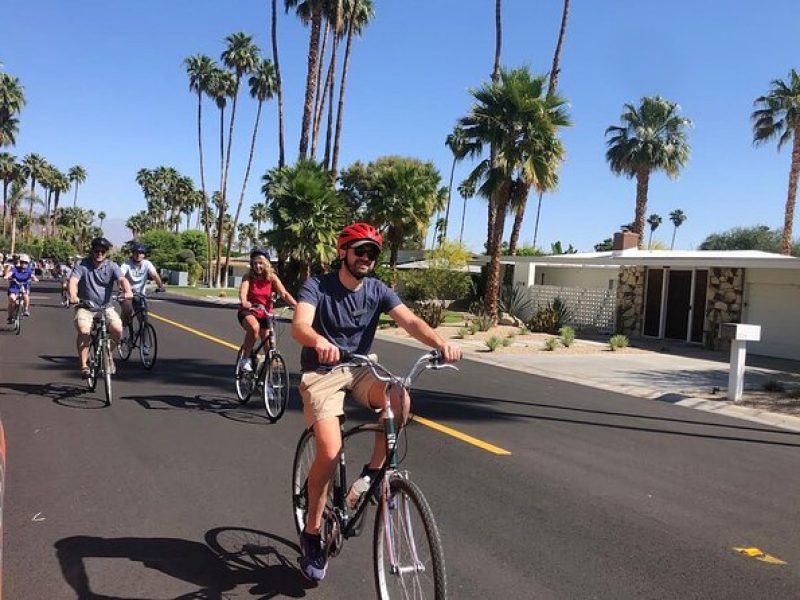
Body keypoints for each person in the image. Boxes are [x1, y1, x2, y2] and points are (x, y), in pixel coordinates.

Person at [291, 222, 462, 582]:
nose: (366, 258)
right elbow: (299, 326)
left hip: (360, 369)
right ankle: (311, 533)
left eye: (372, 252)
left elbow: (411, 321)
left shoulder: (378, 290)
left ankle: (370, 475)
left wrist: (439, 344)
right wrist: (318, 340)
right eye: (360, 250)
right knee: (329, 449)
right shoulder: (318, 285)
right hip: (321, 373)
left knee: (400, 397)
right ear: (344, 252)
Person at [67, 237, 133, 378]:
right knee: (84, 331)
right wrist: (73, 295)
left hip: (106, 307)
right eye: (97, 250)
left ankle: (107, 353)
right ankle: (84, 365)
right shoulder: (82, 265)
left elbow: (122, 279)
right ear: (92, 251)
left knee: (118, 329)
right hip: (85, 307)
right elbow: (73, 281)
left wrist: (128, 291)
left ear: (106, 253)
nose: (99, 254)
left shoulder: (112, 266)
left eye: (103, 251)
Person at [237, 248, 297, 372]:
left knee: (270, 347)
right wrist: (245, 302)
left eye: (260, 263)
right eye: (255, 263)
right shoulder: (248, 277)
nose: (257, 266)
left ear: (266, 263)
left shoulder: (272, 278)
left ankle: (267, 380)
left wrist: (297, 306)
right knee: (254, 328)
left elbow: (284, 294)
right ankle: (245, 358)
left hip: (265, 313)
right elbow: (243, 292)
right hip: (249, 311)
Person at [119, 243, 165, 327]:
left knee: (143, 316)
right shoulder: (126, 264)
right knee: (127, 310)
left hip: (140, 294)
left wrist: (161, 286)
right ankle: (121, 329)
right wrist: (123, 288)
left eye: (141, 253)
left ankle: (143, 334)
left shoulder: (147, 263)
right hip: (127, 293)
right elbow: (120, 276)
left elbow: (154, 275)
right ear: (132, 253)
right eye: (136, 252)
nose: (138, 255)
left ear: (144, 255)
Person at [4, 253, 38, 321]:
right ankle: (10, 316)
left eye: (25, 263)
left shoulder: (28, 270)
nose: (24, 264)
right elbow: (10, 273)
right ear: (20, 262)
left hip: (24, 287)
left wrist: (35, 278)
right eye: (22, 262)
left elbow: (32, 275)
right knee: (12, 300)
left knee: (26, 295)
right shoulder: (15, 269)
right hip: (14, 287)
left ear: (27, 263)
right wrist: (7, 276)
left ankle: (26, 310)